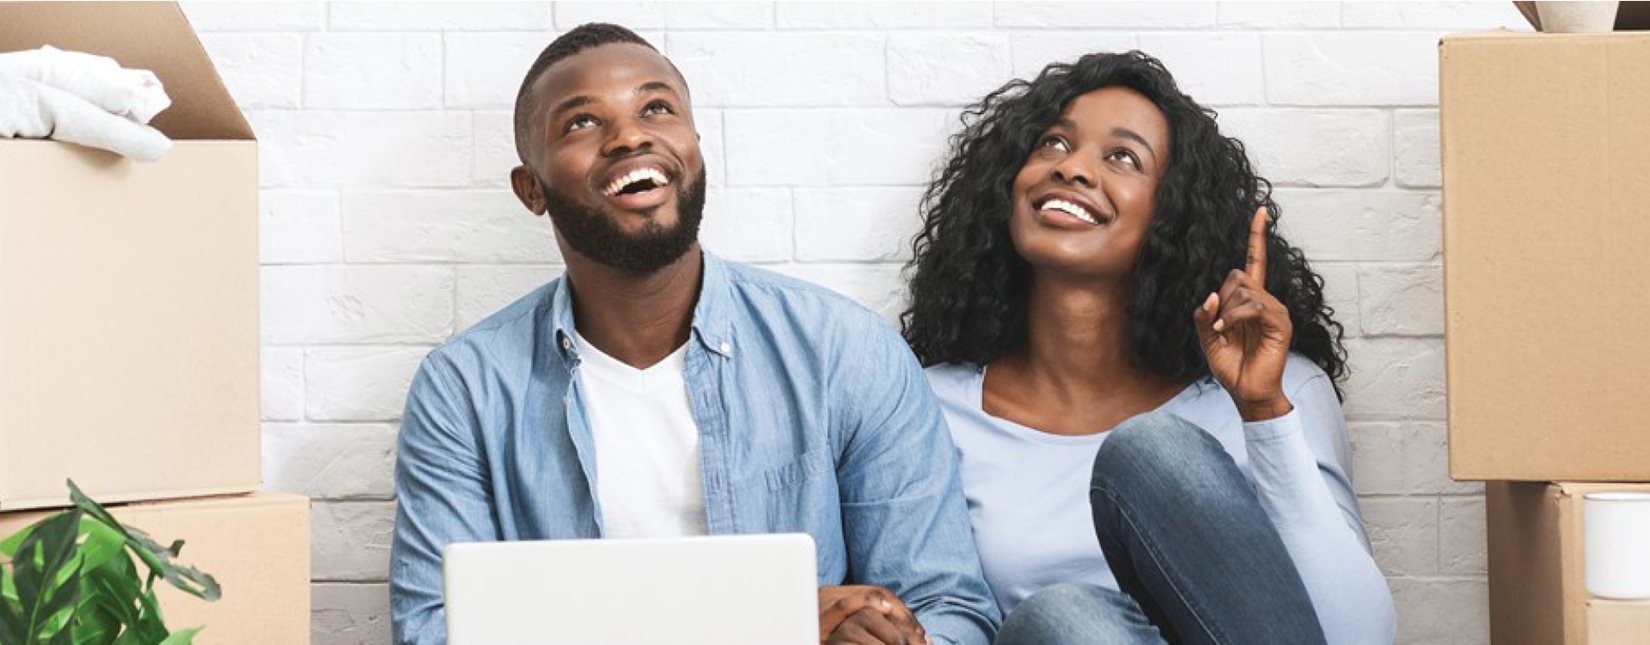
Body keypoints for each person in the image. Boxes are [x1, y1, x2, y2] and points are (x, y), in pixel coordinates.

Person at [389, 23, 999, 645]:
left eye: (657, 108)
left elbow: (950, 607)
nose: (630, 135)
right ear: (531, 190)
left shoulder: (847, 353)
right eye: (581, 123)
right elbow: (434, 631)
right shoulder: (464, 389)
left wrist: (896, 637)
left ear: (696, 146)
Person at [901, 51, 1397, 644]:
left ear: (1174, 215)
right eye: (1053, 144)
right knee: (1063, 621)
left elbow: (1358, 637)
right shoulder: (930, 407)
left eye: (1122, 157)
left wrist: (1264, 414)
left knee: (1152, 451)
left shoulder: (1274, 387)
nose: (1074, 169)